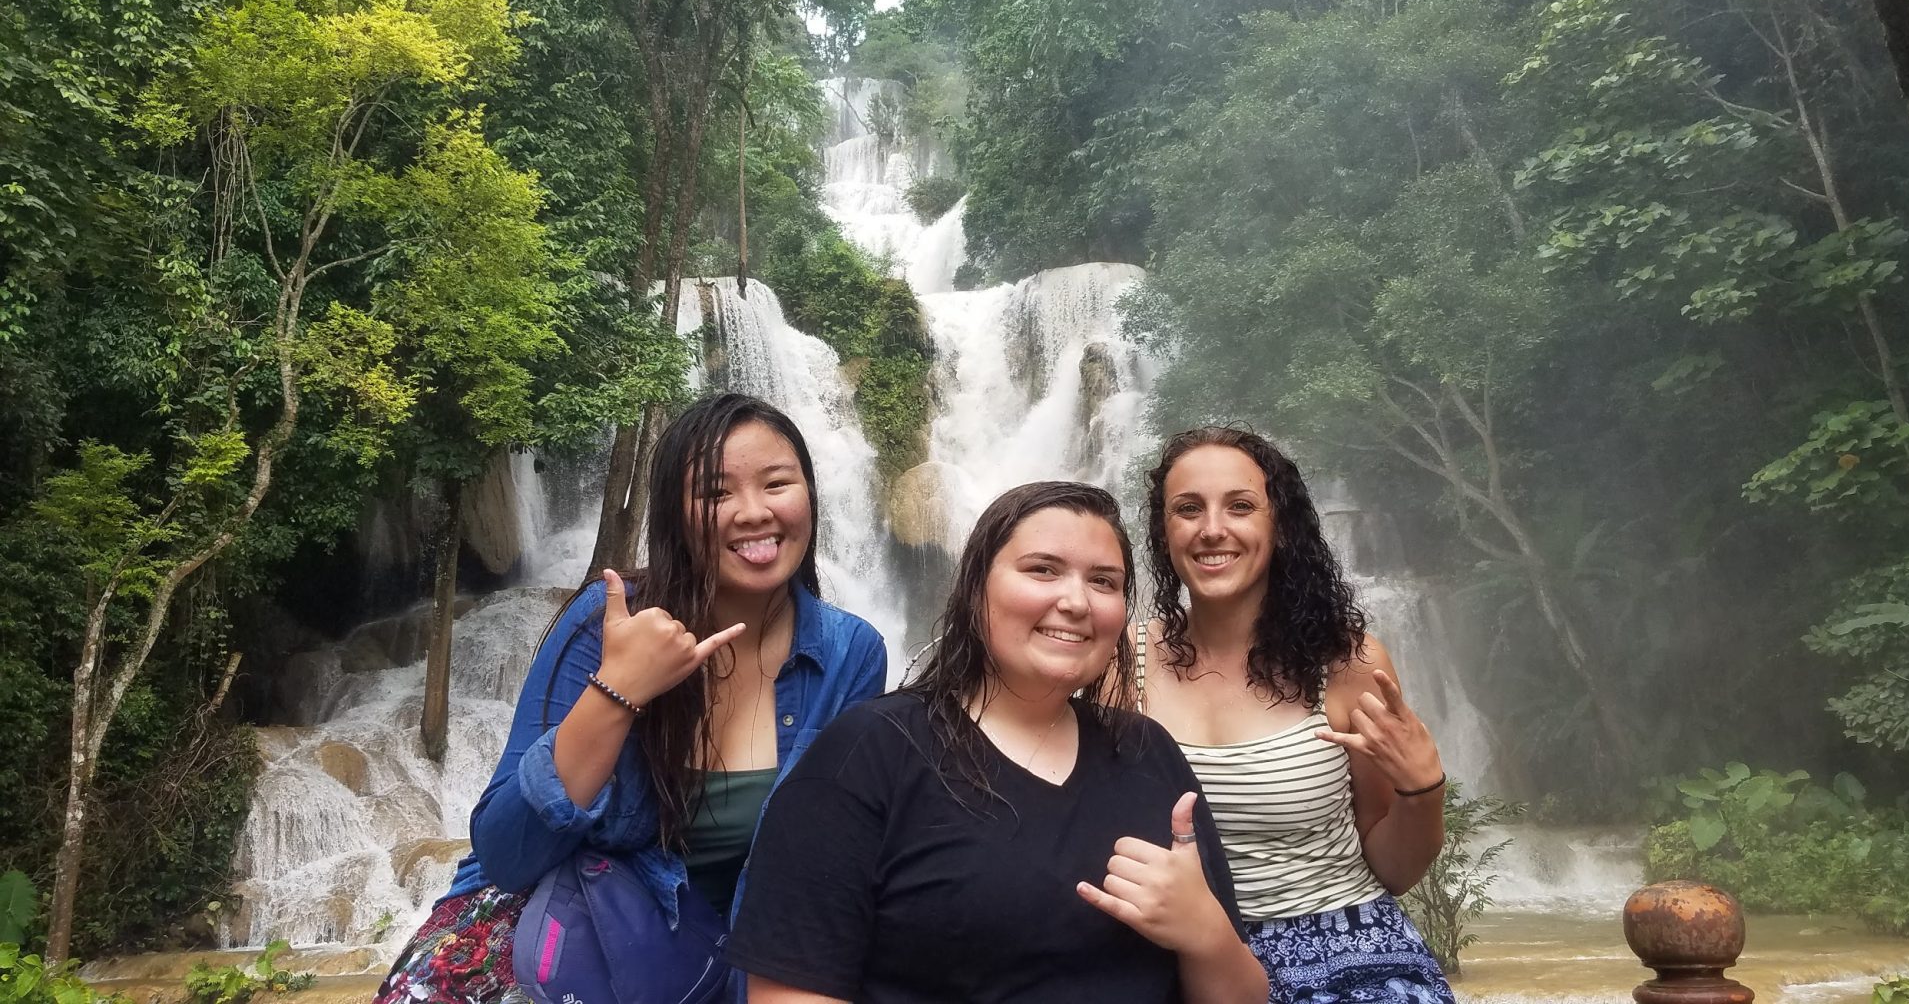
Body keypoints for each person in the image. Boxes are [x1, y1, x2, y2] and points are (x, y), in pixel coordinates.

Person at [374, 393, 889, 1004]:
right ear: (675, 513)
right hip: (556, 929)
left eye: (777, 483)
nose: (753, 513)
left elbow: (825, 869)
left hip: (730, 957)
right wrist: (619, 692)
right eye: (716, 494)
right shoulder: (605, 622)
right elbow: (510, 854)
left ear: (809, 494)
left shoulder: (852, 654)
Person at [726, 480, 1269, 1004]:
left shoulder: (1146, 750)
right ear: (975, 588)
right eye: (1042, 570)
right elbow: (789, 990)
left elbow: (1244, 997)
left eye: (1104, 582)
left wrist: (1206, 933)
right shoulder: (867, 753)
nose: (1076, 601)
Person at [1134, 426, 1453, 1003]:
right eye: (1187, 509)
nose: (1212, 529)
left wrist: (1422, 788)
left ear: (1279, 526)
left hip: (1344, 948)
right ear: (1163, 532)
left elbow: (1394, 870)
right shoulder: (1118, 665)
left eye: (1240, 506)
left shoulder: (1347, 664)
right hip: (1172, 953)